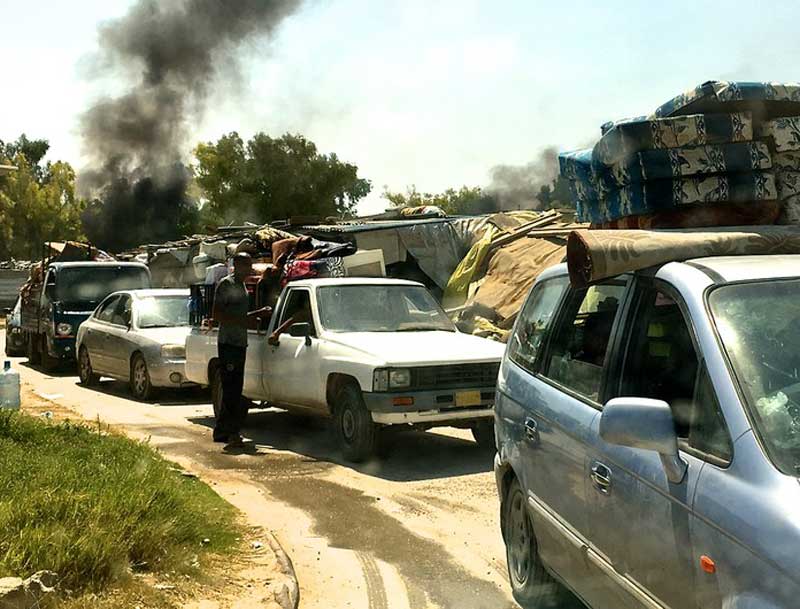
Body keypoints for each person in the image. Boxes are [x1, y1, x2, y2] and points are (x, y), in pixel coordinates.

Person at [211, 253, 271, 448]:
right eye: (245, 264)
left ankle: (221, 432)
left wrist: (257, 314)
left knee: (236, 388)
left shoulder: (243, 286)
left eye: (249, 264)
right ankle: (232, 433)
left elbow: (240, 315)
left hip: (239, 343)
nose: (249, 268)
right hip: (228, 343)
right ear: (236, 265)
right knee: (232, 391)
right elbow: (218, 314)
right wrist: (245, 321)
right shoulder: (226, 284)